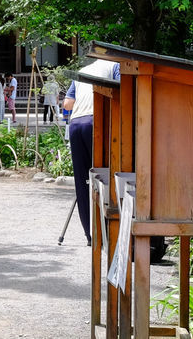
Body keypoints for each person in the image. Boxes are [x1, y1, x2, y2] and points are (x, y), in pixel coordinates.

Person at [63, 59, 120, 246]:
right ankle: (105, 231)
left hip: (76, 123)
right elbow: (120, 92)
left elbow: (67, 104)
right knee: (102, 176)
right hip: (95, 121)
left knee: (83, 182)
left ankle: (90, 235)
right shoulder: (115, 66)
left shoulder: (82, 71)